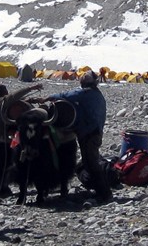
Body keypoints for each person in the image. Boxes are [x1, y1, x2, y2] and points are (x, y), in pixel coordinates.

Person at [46, 71, 110, 202]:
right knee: (89, 162)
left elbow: (68, 95)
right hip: (95, 132)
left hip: (89, 133)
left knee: (91, 163)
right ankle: (99, 190)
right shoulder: (97, 94)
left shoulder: (86, 94)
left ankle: (104, 193)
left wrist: (48, 98)